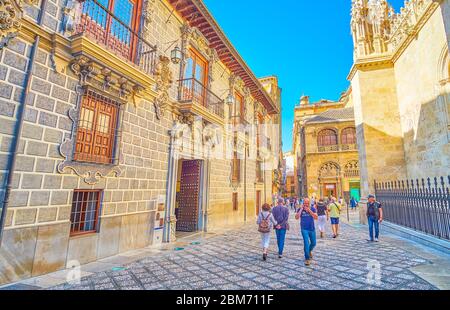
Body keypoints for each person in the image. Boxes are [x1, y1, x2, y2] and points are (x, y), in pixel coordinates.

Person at [295, 198, 318, 266]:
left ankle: (309, 250)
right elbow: (296, 217)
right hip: (304, 229)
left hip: (311, 228)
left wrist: (309, 211)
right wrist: (301, 210)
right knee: (306, 242)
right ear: (303, 203)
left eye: (307, 203)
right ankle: (307, 258)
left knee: (313, 243)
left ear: (309, 203)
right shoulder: (300, 209)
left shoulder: (312, 208)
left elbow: (316, 217)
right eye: (305, 203)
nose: (306, 204)